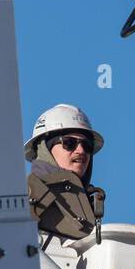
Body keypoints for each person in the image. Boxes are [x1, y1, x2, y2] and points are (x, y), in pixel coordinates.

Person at [24, 104, 106, 243]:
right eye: (69, 143)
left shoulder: (89, 205)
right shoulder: (23, 193)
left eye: (87, 145)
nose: (80, 151)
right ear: (45, 149)